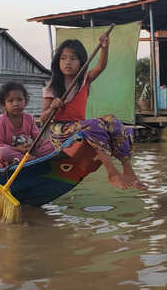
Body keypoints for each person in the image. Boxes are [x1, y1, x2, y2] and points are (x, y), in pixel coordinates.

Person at [42, 34, 146, 190]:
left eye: (73, 58)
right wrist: (53, 107)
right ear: (58, 62)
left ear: (81, 63)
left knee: (113, 121)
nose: (68, 62)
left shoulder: (85, 80)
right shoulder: (52, 87)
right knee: (93, 125)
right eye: (63, 58)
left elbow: (101, 66)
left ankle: (128, 170)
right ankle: (111, 172)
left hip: (79, 127)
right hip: (60, 131)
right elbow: (43, 119)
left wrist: (104, 47)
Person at [0, 82, 54, 169]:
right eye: (10, 101)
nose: (16, 104)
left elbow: (38, 138)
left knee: (52, 145)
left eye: (20, 100)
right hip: (10, 158)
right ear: (4, 104)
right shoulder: (1, 120)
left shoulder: (29, 118)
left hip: (26, 153)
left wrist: (33, 145)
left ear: (25, 101)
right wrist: (17, 149)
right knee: (2, 152)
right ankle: (33, 161)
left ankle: (31, 160)